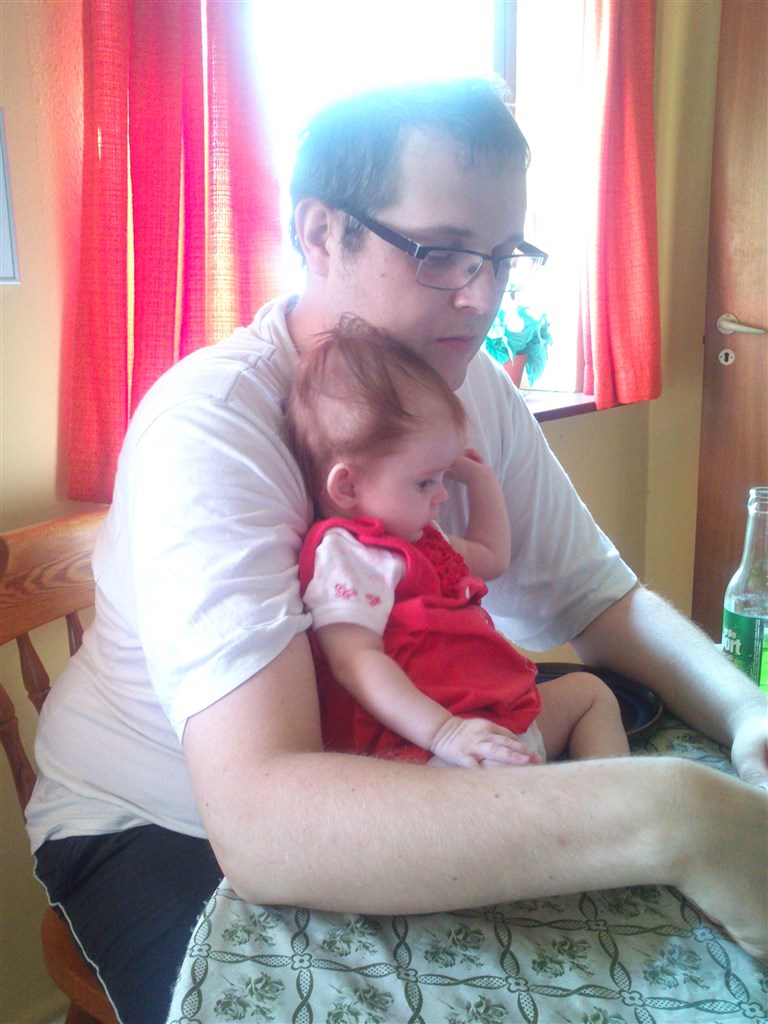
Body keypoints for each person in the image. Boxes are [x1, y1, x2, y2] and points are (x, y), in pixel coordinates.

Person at [25, 77, 766, 1024]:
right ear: (321, 233)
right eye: (442, 251)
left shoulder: (462, 380)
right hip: (164, 820)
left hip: (385, 744)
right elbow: (265, 821)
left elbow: (595, 599)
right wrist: (673, 816)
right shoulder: (211, 427)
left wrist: (748, 714)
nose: (482, 296)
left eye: (503, 257)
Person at [287, 326, 630, 767]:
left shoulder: (420, 539)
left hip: (499, 718)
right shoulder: (350, 556)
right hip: (431, 745)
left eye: (443, 476)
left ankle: (609, 795)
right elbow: (355, 661)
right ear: (348, 486)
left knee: (592, 695)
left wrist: (483, 483)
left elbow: (491, 556)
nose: (442, 495)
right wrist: (444, 732)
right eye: (425, 482)